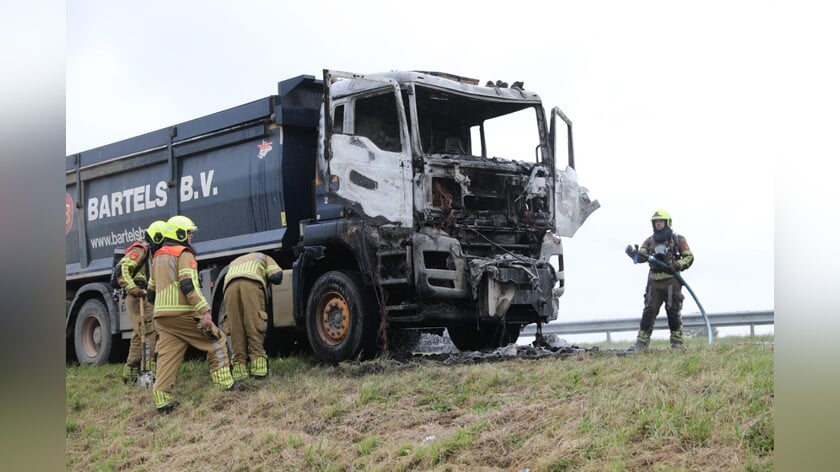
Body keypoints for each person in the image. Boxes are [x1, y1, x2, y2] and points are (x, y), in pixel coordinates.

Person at [146, 215, 235, 413]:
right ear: (179, 234)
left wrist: (163, 305)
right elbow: (188, 284)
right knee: (216, 340)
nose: (191, 236)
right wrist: (204, 310)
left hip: (162, 317)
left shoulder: (158, 256)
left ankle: (162, 400)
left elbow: (150, 293)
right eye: (188, 233)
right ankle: (225, 386)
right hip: (183, 312)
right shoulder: (183, 254)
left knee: (168, 356)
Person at [625, 209, 694, 350]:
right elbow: (641, 257)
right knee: (649, 311)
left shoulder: (678, 239)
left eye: (661, 221)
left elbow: (689, 257)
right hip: (653, 281)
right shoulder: (649, 241)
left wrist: (676, 265)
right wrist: (634, 255)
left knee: (673, 311)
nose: (658, 224)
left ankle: (677, 343)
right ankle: (641, 343)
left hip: (671, 281)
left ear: (667, 222)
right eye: (656, 222)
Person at [222, 252, 284, 380]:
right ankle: (259, 372)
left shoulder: (235, 261)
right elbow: (277, 277)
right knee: (254, 326)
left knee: (236, 329)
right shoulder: (265, 257)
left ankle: (240, 373)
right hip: (251, 284)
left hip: (229, 288)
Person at [118, 220, 166, 383]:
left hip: (144, 297)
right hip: (138, 297)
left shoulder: (150, 252)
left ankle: (130, 374)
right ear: (157, 237)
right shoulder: (141, 249)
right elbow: (122, 269)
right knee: (150, 332)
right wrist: (135, 289)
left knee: (140, 334)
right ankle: (150, 374)